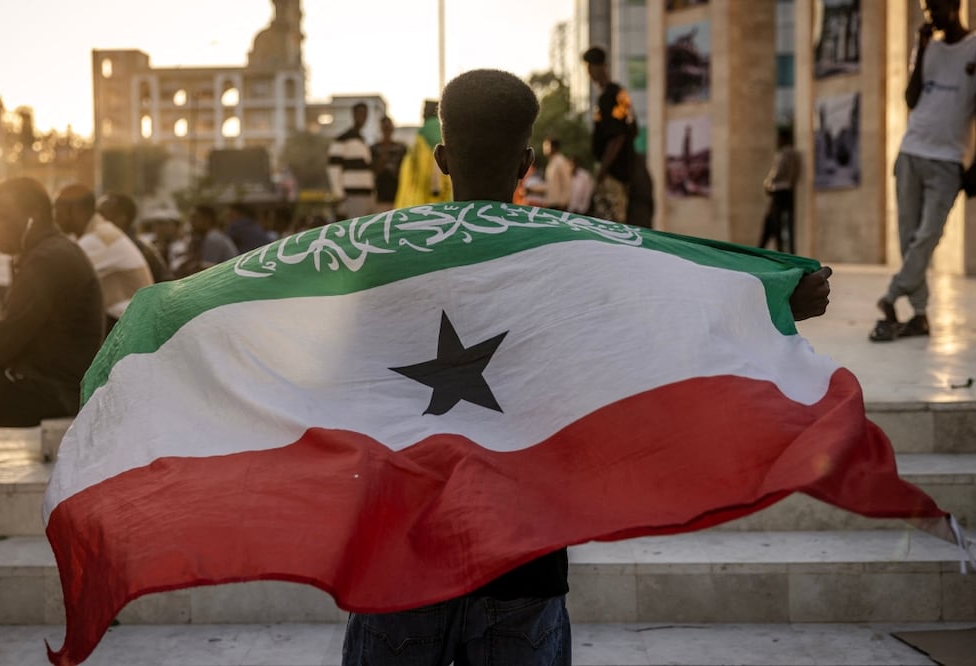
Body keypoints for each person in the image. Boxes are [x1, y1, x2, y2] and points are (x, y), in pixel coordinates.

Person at [340, 68, 833, 666]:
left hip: (400, 562)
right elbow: (669, 306)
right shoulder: (569, 258)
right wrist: (771, 299)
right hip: (523, 564)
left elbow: (341, 386)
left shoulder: (381, 259)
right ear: (527, 164)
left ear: (442, 158)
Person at [0, 177, 104, 447]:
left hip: (51, 391)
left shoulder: (46, 260)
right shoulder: (49, 251)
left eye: (2, 217)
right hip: (51, 383)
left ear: (33, 218)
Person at [869, 0, 976, 342]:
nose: (931, 15)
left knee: (928, 236)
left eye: (936, 7)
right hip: (911, 151)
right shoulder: (927, 47)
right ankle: (919, 315)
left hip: (948, 159)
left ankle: (892, 293)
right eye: (926, 10)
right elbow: (910, 98)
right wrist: (920, 50)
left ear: (955, 5)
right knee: (908, 238)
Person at [54, 184, 154, 332]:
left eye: (57, 210)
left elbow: (56, 280)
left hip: (131, 327)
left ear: (72, 211)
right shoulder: (98, 232)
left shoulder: (98, 239)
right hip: (130, 322)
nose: (54, 217)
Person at [582, 46, 638, 223]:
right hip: (623, 170)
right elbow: (632, 128)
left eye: (591, 66)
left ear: (601, 67)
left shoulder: (608, 96)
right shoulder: (620, 93)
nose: (590, 72)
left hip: (614, 173)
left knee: (612, 224)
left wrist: (603, 170)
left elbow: (617, 137)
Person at [97, 193, 172, 282]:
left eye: (102, 213)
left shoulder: (138, 249)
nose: (96, 218)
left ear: (121, 218)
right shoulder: (104, 244)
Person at [394, 100, 452, 208]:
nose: (422, 114)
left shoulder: (425, 132)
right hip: (442, 187)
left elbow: (427, 161)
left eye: (424, 110)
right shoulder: (442, 130)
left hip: (426, 189)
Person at [328, 102, 375, 219]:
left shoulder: (362, 140)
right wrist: (338, 193)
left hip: (366, 194)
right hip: (352, 194)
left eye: (365, 114)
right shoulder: (342, 139)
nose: (363, 117)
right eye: (360, 114)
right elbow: (333, 167)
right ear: (353, 114)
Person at [759, 127, 800, 253]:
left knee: (775, 220)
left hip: (780, 190)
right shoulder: (794, 154)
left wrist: (769, 182)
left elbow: (779, 170)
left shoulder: (785, 153)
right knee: (782, 221)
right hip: (787, 189)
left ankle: (777, 248)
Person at [174, 204, 239, 278]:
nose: (191, 222)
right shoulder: (210, 237)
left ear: (207, 219)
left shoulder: (213, 239)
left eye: (194, 218)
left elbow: (207, 269)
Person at [370, 116, 407, 213]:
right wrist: (384, 150)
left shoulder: (401, 148)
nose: (387, 131)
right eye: (385, 128)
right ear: (381, 129)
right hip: (381, 196)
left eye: (388, 128)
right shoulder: (374, 148)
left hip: (399, 196)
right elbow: (375, 171)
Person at [542, 137, 572, 211]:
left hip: (559, 204)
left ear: (554, 147)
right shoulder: (552, 162)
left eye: (546, 145)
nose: (544, 148)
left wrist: (564, 201)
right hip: (551, 203)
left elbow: (567, 182)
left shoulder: (561, 161)